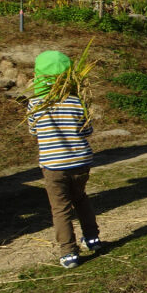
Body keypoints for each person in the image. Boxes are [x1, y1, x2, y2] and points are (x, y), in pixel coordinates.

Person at [27, 50, 102, 269]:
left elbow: (33, 131)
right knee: (80, 198)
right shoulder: (77, 102)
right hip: (81, 162)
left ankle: (68, 251)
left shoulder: (36, 104)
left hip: (54, 166)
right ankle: (92, 239)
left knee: (60, 208)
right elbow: (87, 131)